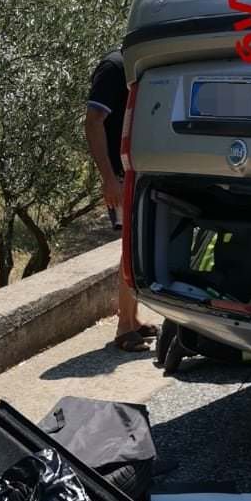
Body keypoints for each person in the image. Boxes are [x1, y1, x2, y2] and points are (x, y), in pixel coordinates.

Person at [85, 49, 157, 352]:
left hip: (138, 172)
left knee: (135, 248)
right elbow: (92, 122)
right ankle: (123, 328)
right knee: (131, 250)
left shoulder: (140, 66)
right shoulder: (114, 67)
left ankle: (133, 318)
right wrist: (108, 179)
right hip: (122, 175)